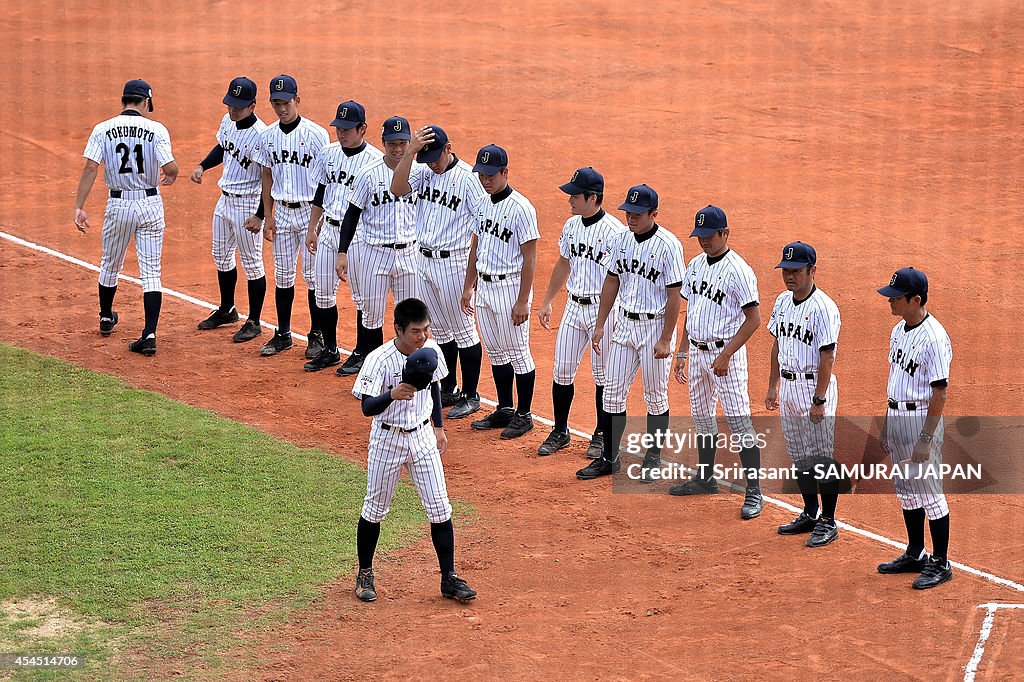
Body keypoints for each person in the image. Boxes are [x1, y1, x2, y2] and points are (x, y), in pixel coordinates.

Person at [351, 297, 477, 603]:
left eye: (425, 329)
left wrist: (439, 426)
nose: (422, 336)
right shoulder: (379, 360)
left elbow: (434, 384)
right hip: (387, 439)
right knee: (374, 509)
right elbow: (367, 407)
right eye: (415, 331)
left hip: (421, 438)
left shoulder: (431, 350)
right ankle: (365, 573)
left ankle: (448, 578)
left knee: (440, 508)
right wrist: (392, 395)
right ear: (398, 329)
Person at [575, 184, 684, 480]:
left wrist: (665, 338)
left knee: (655, 396)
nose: (631, 218)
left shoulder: (669, 245)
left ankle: (653, 456)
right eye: (628, 212)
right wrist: (600, 325)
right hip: (624, 324)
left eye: (637, 213)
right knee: (611, 394)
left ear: (654, 214)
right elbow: (612, 281)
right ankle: (610, 458)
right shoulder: (621, 239)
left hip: (654, 327)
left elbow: (675, 294)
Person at [670, 205, 764, 520]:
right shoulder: (694, 266)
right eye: (700, 236)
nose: (704, 242)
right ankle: (705, 478)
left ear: (725, 233)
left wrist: (726, 354)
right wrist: (682, 352)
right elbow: (691, 313)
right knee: (702, 419)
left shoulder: (739, 270)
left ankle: (755, 491)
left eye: (709, 236)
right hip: (697, 353)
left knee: (739, 423)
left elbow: (754, 319)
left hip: (727, 356)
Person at [73, 79, 178, 356]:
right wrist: (170, 176)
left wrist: (79, 206)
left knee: (110, 263)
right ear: (146, 102)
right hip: (150, 204)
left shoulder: (102, 129)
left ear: (124, 100)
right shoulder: (157, 129)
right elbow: (171, 167)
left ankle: (106, 317)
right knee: (151, 272)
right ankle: (150, 333)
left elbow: (91, 168)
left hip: (118, 205)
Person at [390, 126, 486, 419]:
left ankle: (471, 394)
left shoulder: (469, 180)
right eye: (426, 156)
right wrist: (410, 152)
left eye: (436, 156)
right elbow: (397, 187)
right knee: (441, 331)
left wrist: (472, 279)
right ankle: (449, 386)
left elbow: (481, 230)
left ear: (449, 148)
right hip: (424, 260)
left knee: (464, 331)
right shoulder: (422, 170)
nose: (432, 162)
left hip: (454, 263)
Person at [537, 167, 626, 458]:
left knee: (603, 376)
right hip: (574, 307)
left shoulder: (616, 233)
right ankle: (560, 429)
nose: (569, 200)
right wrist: (548, 299)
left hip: (604, 310)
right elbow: (564, 263)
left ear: (592, 197)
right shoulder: (571, 225)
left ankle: (600, 433)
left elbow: (621, 278)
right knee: (562, 369)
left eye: (574, 196)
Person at [876, 267, 954, 590]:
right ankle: (915, 552)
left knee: (929, 492)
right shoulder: (898, 331)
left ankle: (941, 562)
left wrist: (925, 438)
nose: (890, 302)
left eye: (896, 298)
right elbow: (896, 380)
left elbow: (940, 394)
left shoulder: (934, 338)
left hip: (922, 421)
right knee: (906, 490)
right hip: (898, 418)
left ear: (915, 299)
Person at [765, 242, 842, 547]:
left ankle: (829, 520)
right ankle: (810, 512)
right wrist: (773, 385)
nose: (789, 277)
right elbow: (777, 345)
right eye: (785, 271)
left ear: (812, 270)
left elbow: (827, 357)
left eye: (796, 271)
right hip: (788, 387)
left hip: (814, 387)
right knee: (799, 455)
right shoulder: (782, 302)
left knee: (821, 456)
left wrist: (820, 399)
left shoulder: (824, 308)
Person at [461, 145, 539, 440]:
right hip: (485, 285)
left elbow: (530, 257)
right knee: (495, 352)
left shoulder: (522, 208)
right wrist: (469, 286)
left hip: (510, 287)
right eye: (482, 175)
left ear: (505, 172)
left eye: (491, 175)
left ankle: (524, 414)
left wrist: (522, 300)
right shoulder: (481, 204)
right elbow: (475, 248)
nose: (486, 180)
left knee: (519, 353)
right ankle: (505, 408)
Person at [249, 74, 329, 358]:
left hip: (310, 212)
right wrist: (267, 215)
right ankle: (282, 333)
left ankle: (317, 334)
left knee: (313, 277)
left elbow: (325, 181)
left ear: (297, 100)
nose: (281, 108)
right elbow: (267, 175)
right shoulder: (267, 136)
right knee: (282, 276)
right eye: (275, 103)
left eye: (285, 102)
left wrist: (318, 221)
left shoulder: (318, 134)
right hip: (282, 211)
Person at [301, 101, 384, 371]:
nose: (341, 133)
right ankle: (330, 349)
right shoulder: (328, 153)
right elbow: (320, 193)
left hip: (360, 236)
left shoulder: (375, 160)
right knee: (322, 293)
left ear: (363, 129)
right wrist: (313, 228)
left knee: (362, 298)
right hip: (329, 231)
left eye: (348, 129)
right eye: (338, 128)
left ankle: (361, 352)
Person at [335, 116, 420, 367]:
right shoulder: (368, 174)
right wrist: (342, 251)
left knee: (411, 318)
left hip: (410, 254)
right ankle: (372, 368)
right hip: (375, 253)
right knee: (371, 317)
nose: (397, 149)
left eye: (403, 143)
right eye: (392, 143)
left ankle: (409, 370)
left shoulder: (421, 174)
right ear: (383, 142)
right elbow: (351, 215)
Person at [190, 76, 268, 344]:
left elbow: (270, 179)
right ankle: (227, 310)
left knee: (252, 264)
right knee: (221, 256)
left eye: (239, 106)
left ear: (253, 106)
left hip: (248, 202)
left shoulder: (262, 136)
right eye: (230, 105)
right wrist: (202, 165)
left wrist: (261, 214)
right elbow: (222, 148)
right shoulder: (228, 122)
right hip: (224, 200)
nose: (233, 110)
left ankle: (254, 321)